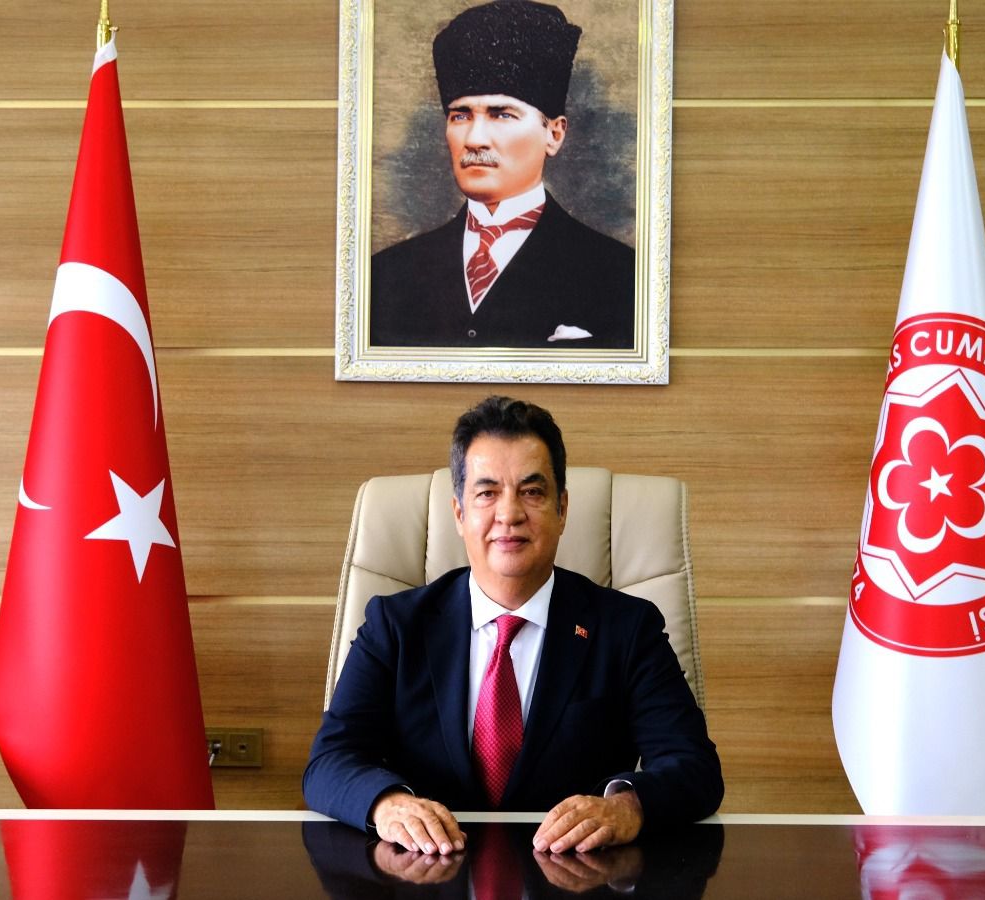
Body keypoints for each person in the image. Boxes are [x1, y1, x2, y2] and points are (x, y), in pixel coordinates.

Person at [304, 396, 722, 856]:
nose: (509, 514)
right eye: (487, 493)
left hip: (577, 874)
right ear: (459, 514)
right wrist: (387, 804)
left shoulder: (627, 628)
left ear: (562, 509)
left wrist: (628, 805)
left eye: (532, 491)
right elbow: (330, 761)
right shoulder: (395, 625)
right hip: (425, 872)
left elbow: (694, 767)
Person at [369, 0, 637, 349]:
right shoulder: (387, 274)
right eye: (461, 116)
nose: (475, 139)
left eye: (502, 115)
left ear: (554, 134)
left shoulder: (621, 275)